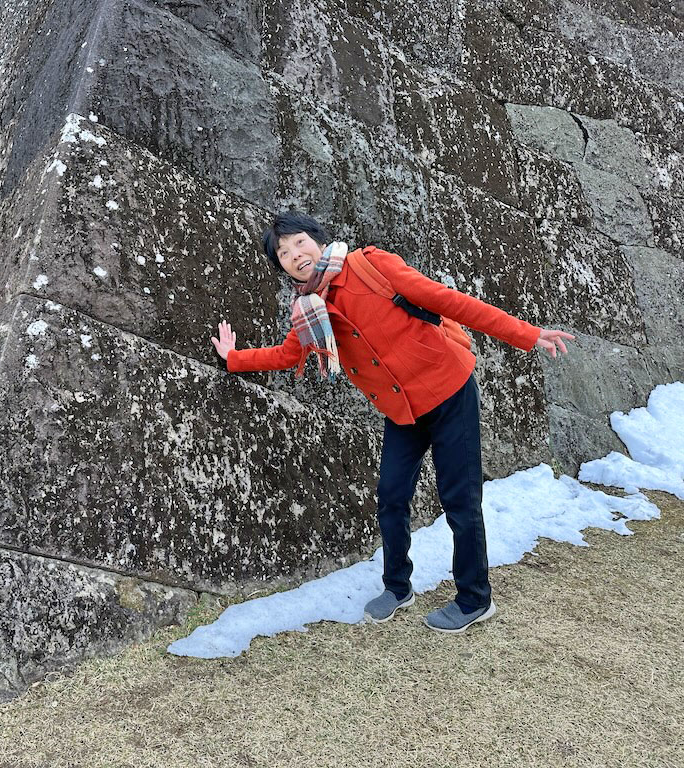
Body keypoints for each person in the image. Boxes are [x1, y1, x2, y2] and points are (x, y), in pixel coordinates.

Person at [211, 211, 574, 633]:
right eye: (284, 254)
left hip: (449, 389)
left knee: (460, 499)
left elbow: (448, 301)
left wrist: (526, 334)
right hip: (403, 410)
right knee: (391, 496)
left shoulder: (370, 265)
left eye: (299, 243)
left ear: (318, 239)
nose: (295, 255)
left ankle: (475, 598)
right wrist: (233, 358)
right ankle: (397, 587)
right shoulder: (310, 309)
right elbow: (289, 355)